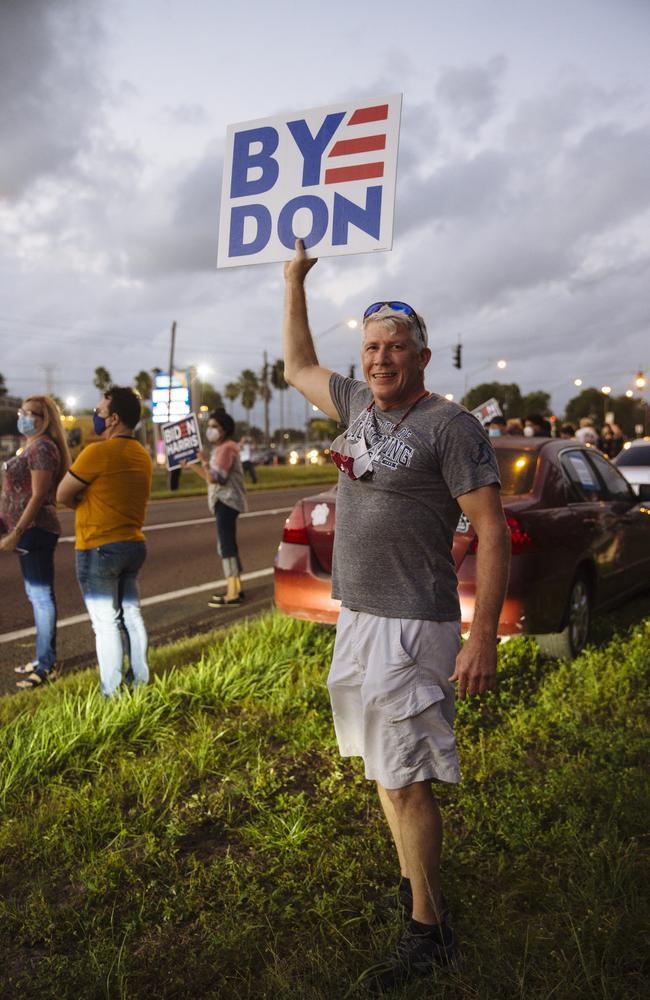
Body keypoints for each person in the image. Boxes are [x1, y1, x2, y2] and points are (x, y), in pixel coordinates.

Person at [282, 240, 510, 991]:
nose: (380, 359)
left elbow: (493, 530)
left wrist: (482, 640)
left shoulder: (450, 426)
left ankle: (430, 929)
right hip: (360, 616)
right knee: (385, 770)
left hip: (415, 623)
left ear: (423, 356)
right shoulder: (352, 404)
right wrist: (294, 281)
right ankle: (419, 890)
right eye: (372, 347)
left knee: (407, 779)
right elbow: (297, 368)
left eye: (396, 348)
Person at [56, 386, 152, 697]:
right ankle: (140, 680)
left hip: (98, 545)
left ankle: (111, 692)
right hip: (132, 544)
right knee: (131, 615)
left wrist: (82, 502)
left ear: (112, 419)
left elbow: (62, 494)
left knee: (106, 624)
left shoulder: (97, 453)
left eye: (99, 412)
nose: (96, 417)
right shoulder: (142, 455)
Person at [0, 396, 70, 689]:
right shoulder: (31, 445)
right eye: (22, 412)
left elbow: (39, 495)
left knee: (41, 598)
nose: (24, 417)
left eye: (31, 413)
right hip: (27, 528)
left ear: (45, 418)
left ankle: (47, 665)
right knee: (35, 596)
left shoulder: (42, 447)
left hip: (35, 530)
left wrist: (17, 531)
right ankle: (43, 657)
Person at [186, 409, 247, 606]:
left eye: (214, 427)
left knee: (226, 546)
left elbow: (216, 478)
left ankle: (233, 594)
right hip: (223, 501)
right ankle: (235, 588)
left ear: (224, 429)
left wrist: (202, 462)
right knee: (228, 544)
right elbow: (210, 477)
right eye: (209, 426)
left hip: (227, 501)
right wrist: (194, 466)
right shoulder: (221, 448)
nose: (210, 430)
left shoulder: (227, 448)